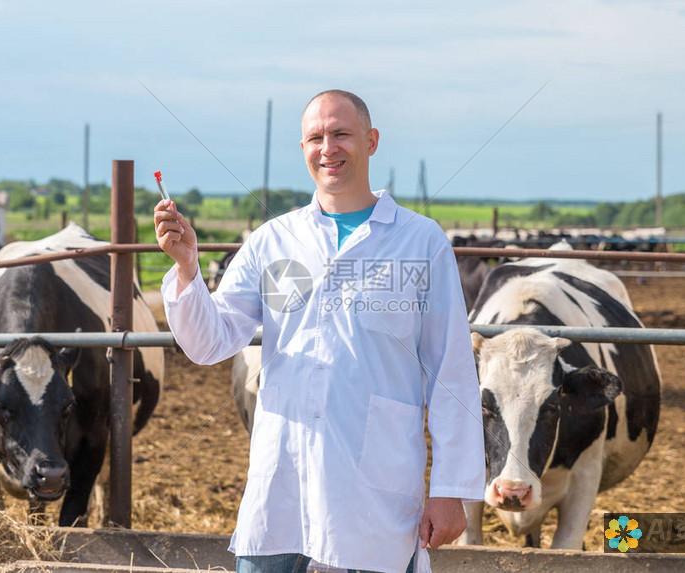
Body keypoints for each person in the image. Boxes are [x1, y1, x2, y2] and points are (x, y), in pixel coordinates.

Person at [155, 90, 484, 573]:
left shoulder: (420, 241)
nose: (327, 147)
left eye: (341, 134)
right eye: (315, 137)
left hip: (373, 497)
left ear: (371, 141)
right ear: (303, 148)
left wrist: (452, 490)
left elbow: (451, 371)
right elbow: (210, 342)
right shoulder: (273, 240)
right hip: (281, 491)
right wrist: (187, 269)